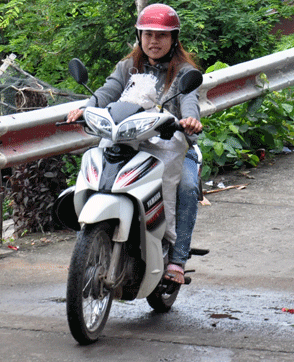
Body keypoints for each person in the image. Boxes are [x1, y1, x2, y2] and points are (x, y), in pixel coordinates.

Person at [67, 3, 202, 284]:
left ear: (173, 39)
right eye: (148, 34)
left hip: (174, 145)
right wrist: (86, 108)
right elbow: (107, 92)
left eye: (161, 36)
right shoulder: (128, 66)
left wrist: (189, 119)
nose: (154, 41)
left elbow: (190, 101)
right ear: (139, 36)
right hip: (131, 140)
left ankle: (177, 257)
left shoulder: (183, 71)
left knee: (187, 187)